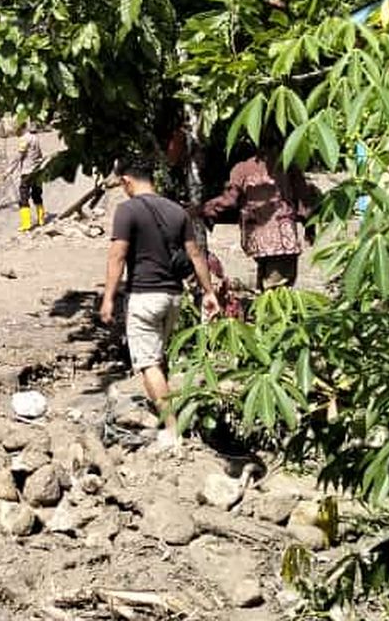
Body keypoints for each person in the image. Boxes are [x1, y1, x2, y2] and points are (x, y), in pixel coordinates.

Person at [100, 158, 220, 446]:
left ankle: (171, 428)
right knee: (159, 356)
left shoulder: (127, 210)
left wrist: (108, 298)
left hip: (144, 296)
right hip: (173, 297)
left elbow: (117, 256)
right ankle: (165, 409)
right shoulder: (177, 210)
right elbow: (195, 256)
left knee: (148, 363)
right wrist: (209, 292)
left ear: (127, 181)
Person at [200, 147, 315, 290]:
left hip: (256, 240)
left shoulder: (241, 169)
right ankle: (274, 311)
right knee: (278, 291)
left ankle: (265, 308)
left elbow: (229, 200)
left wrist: (206, 209)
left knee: (266, 284)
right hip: (284, 239)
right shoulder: (287, 165)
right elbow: (303, 199)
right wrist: (310, 225)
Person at [14, 125, 45, 231]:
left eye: (16, 130)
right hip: (38, 170)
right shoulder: (35, 138)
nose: (15, 133)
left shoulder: (24, 139)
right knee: (37, 194)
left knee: (24, 196)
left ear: (21, 129)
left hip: (27, 171)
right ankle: (41, 220)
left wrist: (9, 171)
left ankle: (26, 224)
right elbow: (40, 154)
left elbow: (18, 157)